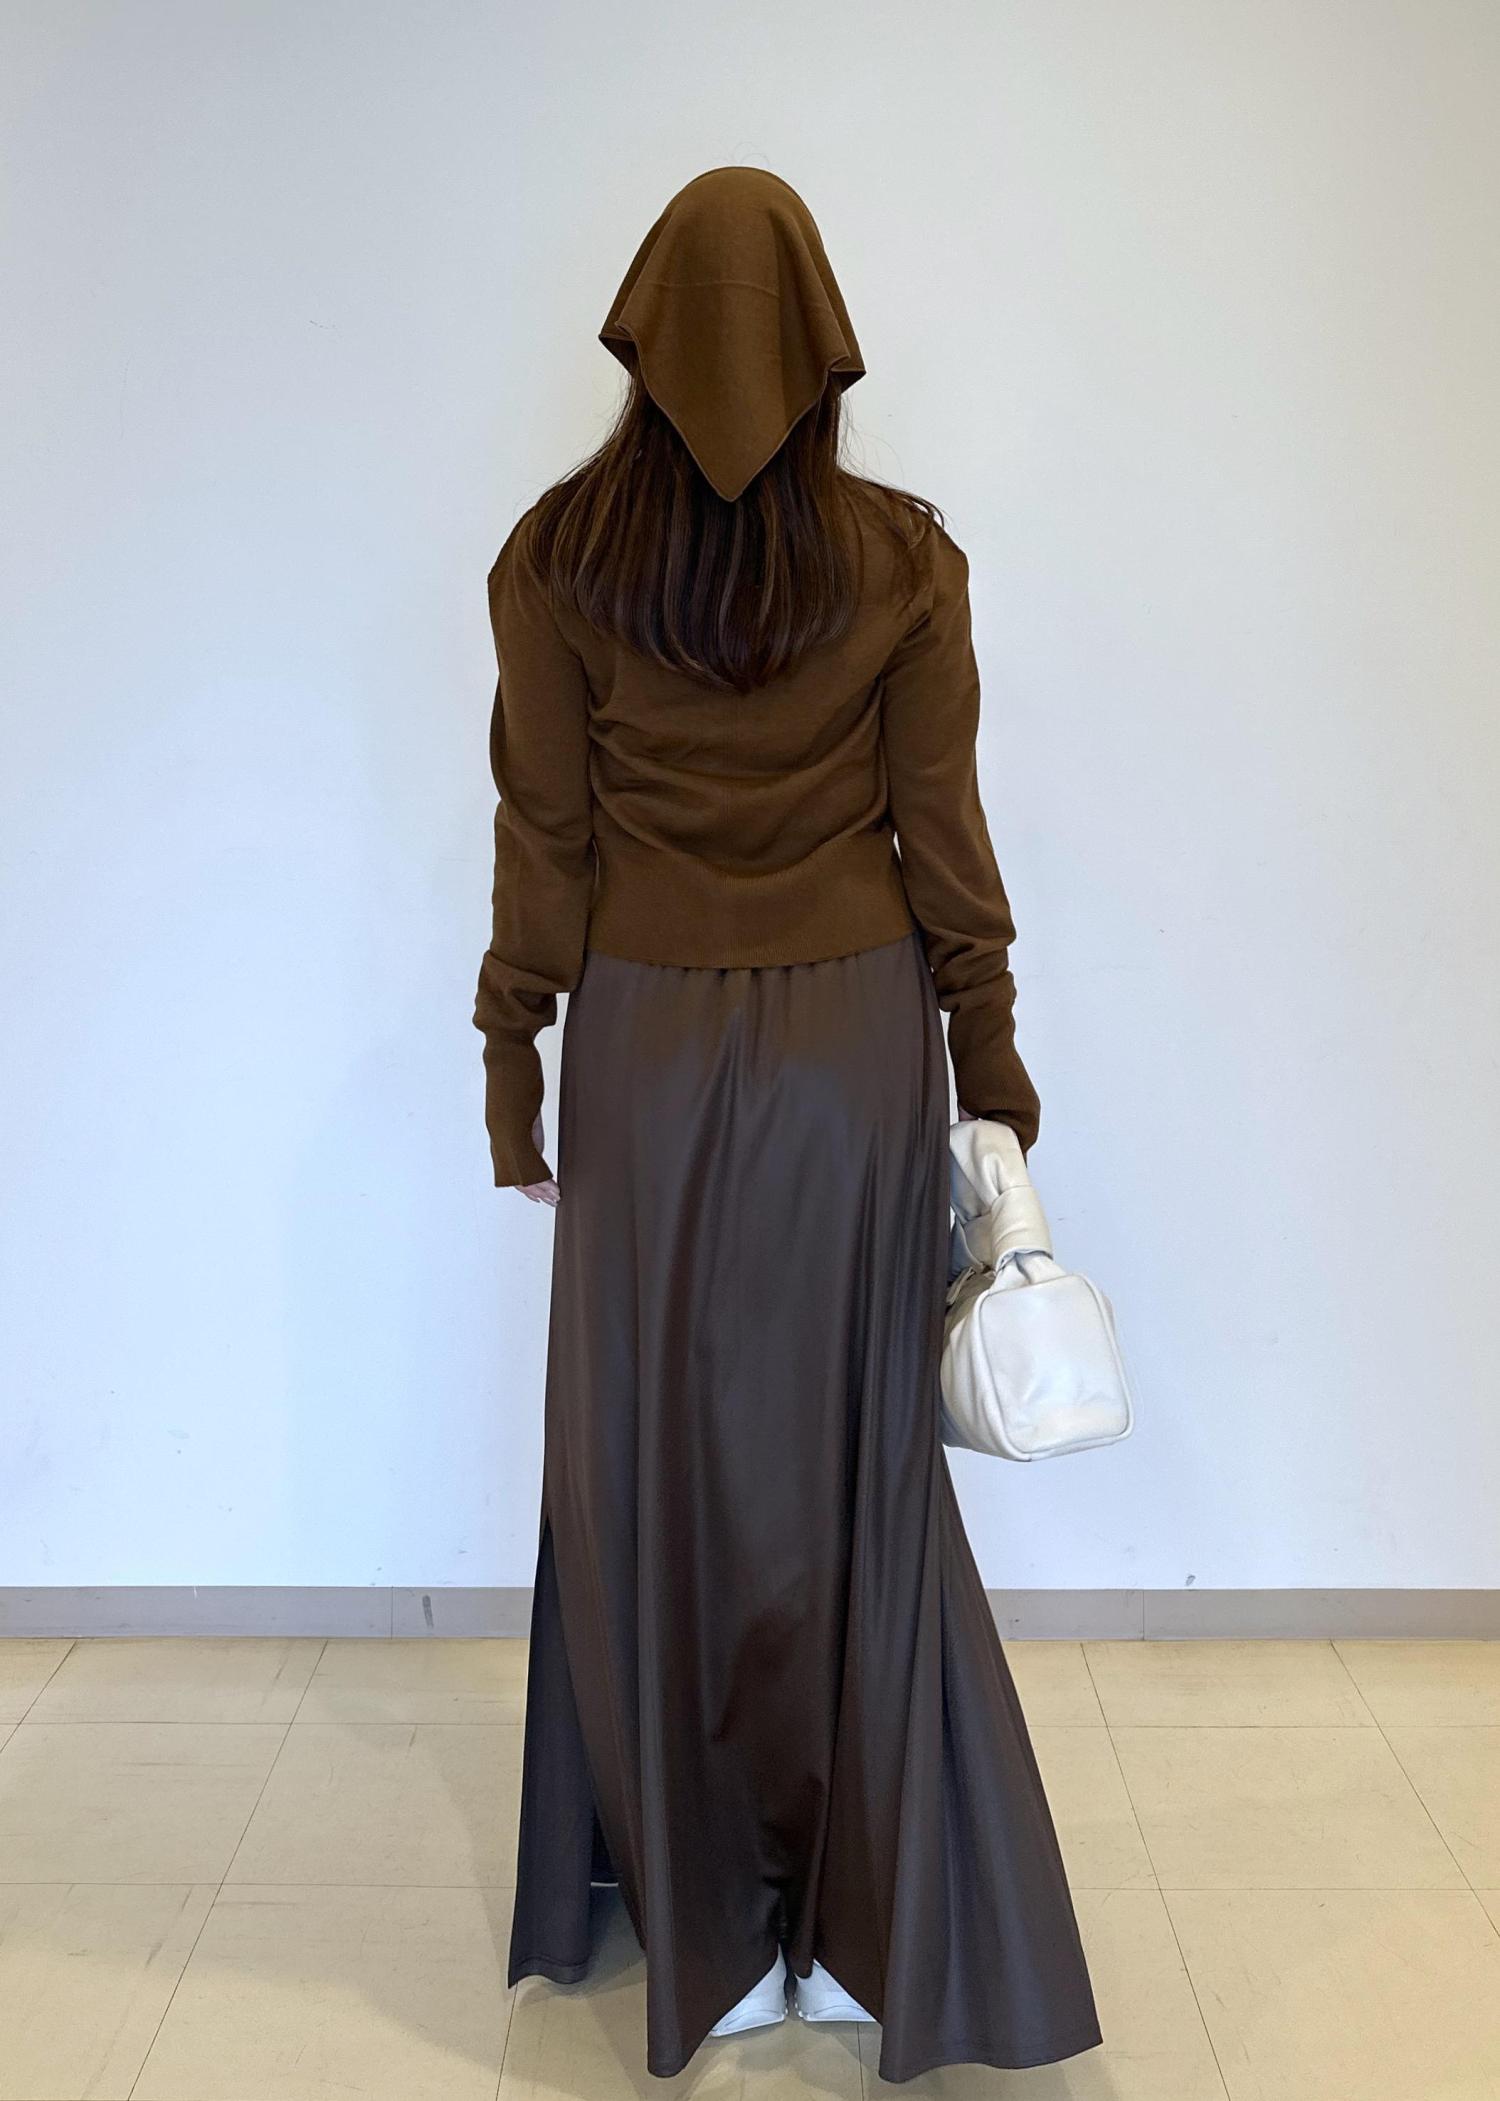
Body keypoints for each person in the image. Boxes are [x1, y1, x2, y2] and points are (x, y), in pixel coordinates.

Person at [473, 165, 1102, 2083]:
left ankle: (718, 1929)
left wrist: (515, 1061)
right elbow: (945, 848)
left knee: (658, 1480)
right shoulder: (902, 562)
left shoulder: (555, 562)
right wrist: (993, 1083)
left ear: (645, 337)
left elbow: (546, 844)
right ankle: (851, 1925)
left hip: (653, 1053)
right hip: (849, 1053)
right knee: (850, 1485)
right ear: (822, 343)